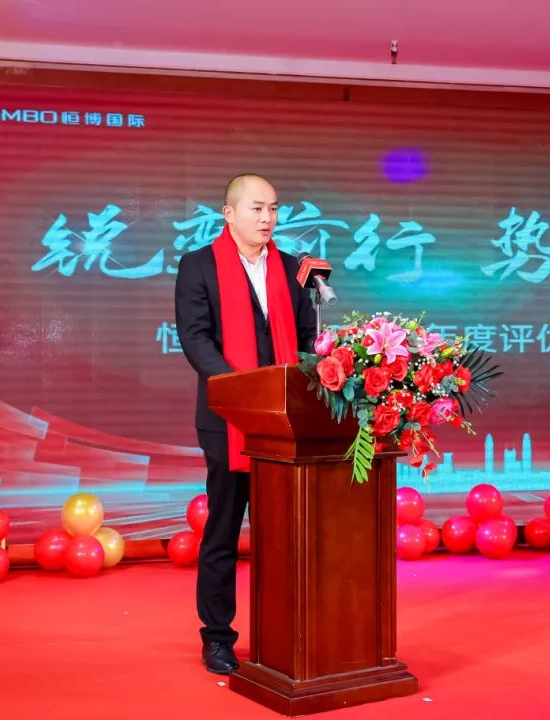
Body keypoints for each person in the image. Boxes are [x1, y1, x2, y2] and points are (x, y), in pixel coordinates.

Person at [174, 174, 317, 674]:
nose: (267, 218)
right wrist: (241, 390)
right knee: (224, 531)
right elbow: (195, 338)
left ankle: (286, 634)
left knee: (284, 535)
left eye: (273, 209)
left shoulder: (295, 269)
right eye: (257, 209)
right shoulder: (198, 265)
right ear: (229, 214)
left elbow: (307, 337)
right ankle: (217, 637)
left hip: (285, 419)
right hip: (228, 419)